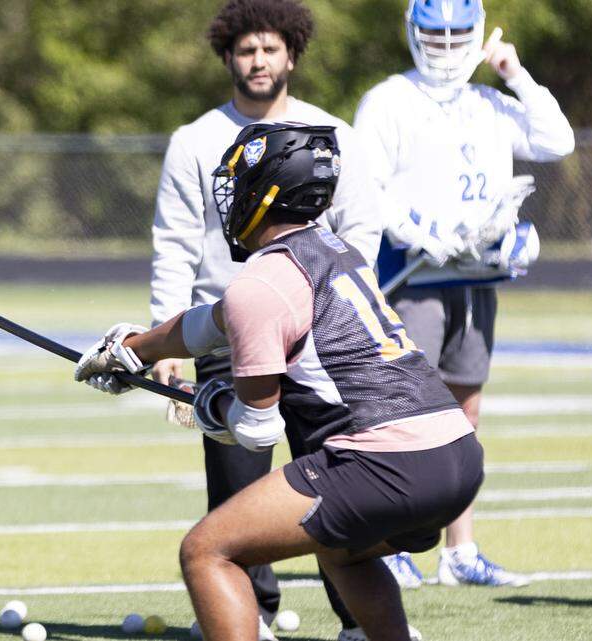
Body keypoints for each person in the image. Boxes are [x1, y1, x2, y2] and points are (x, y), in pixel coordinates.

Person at [77, 122, 483, 641]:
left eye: (238, 183)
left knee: (207, 550)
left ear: (266, 191)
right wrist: (132, 351)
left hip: (389, 465)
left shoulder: (264, 280)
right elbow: (209, 322)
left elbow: (256, 430)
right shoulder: (334, 252)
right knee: (343, 552)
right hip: (457, 457)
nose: (230, 198)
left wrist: (207, 402)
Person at [150, 0, 381, 637]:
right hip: (225, 331)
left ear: (292, 55)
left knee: (340, 482)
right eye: (246, 50)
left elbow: (362, 229)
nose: (258, 61)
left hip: (325, 335)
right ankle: (248, 618)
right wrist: (165, 339)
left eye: (270, 49)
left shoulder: (334, 134)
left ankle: (358, 622)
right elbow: (175, 243)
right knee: (235, 490)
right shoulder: (193, 141)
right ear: (228, 57)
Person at [355, 0, 573, 588]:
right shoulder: (389, 101)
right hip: (411, 279)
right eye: (436, 35)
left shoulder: (489, 102)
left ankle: (459, 551)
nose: (447, 47)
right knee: (402, 414)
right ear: (413, 32)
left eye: (458, 36)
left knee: (464, 417)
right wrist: (420, 232)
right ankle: (392, 544)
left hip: (475, 282)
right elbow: (367, 188)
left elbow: (558, 141)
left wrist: (514, 73)